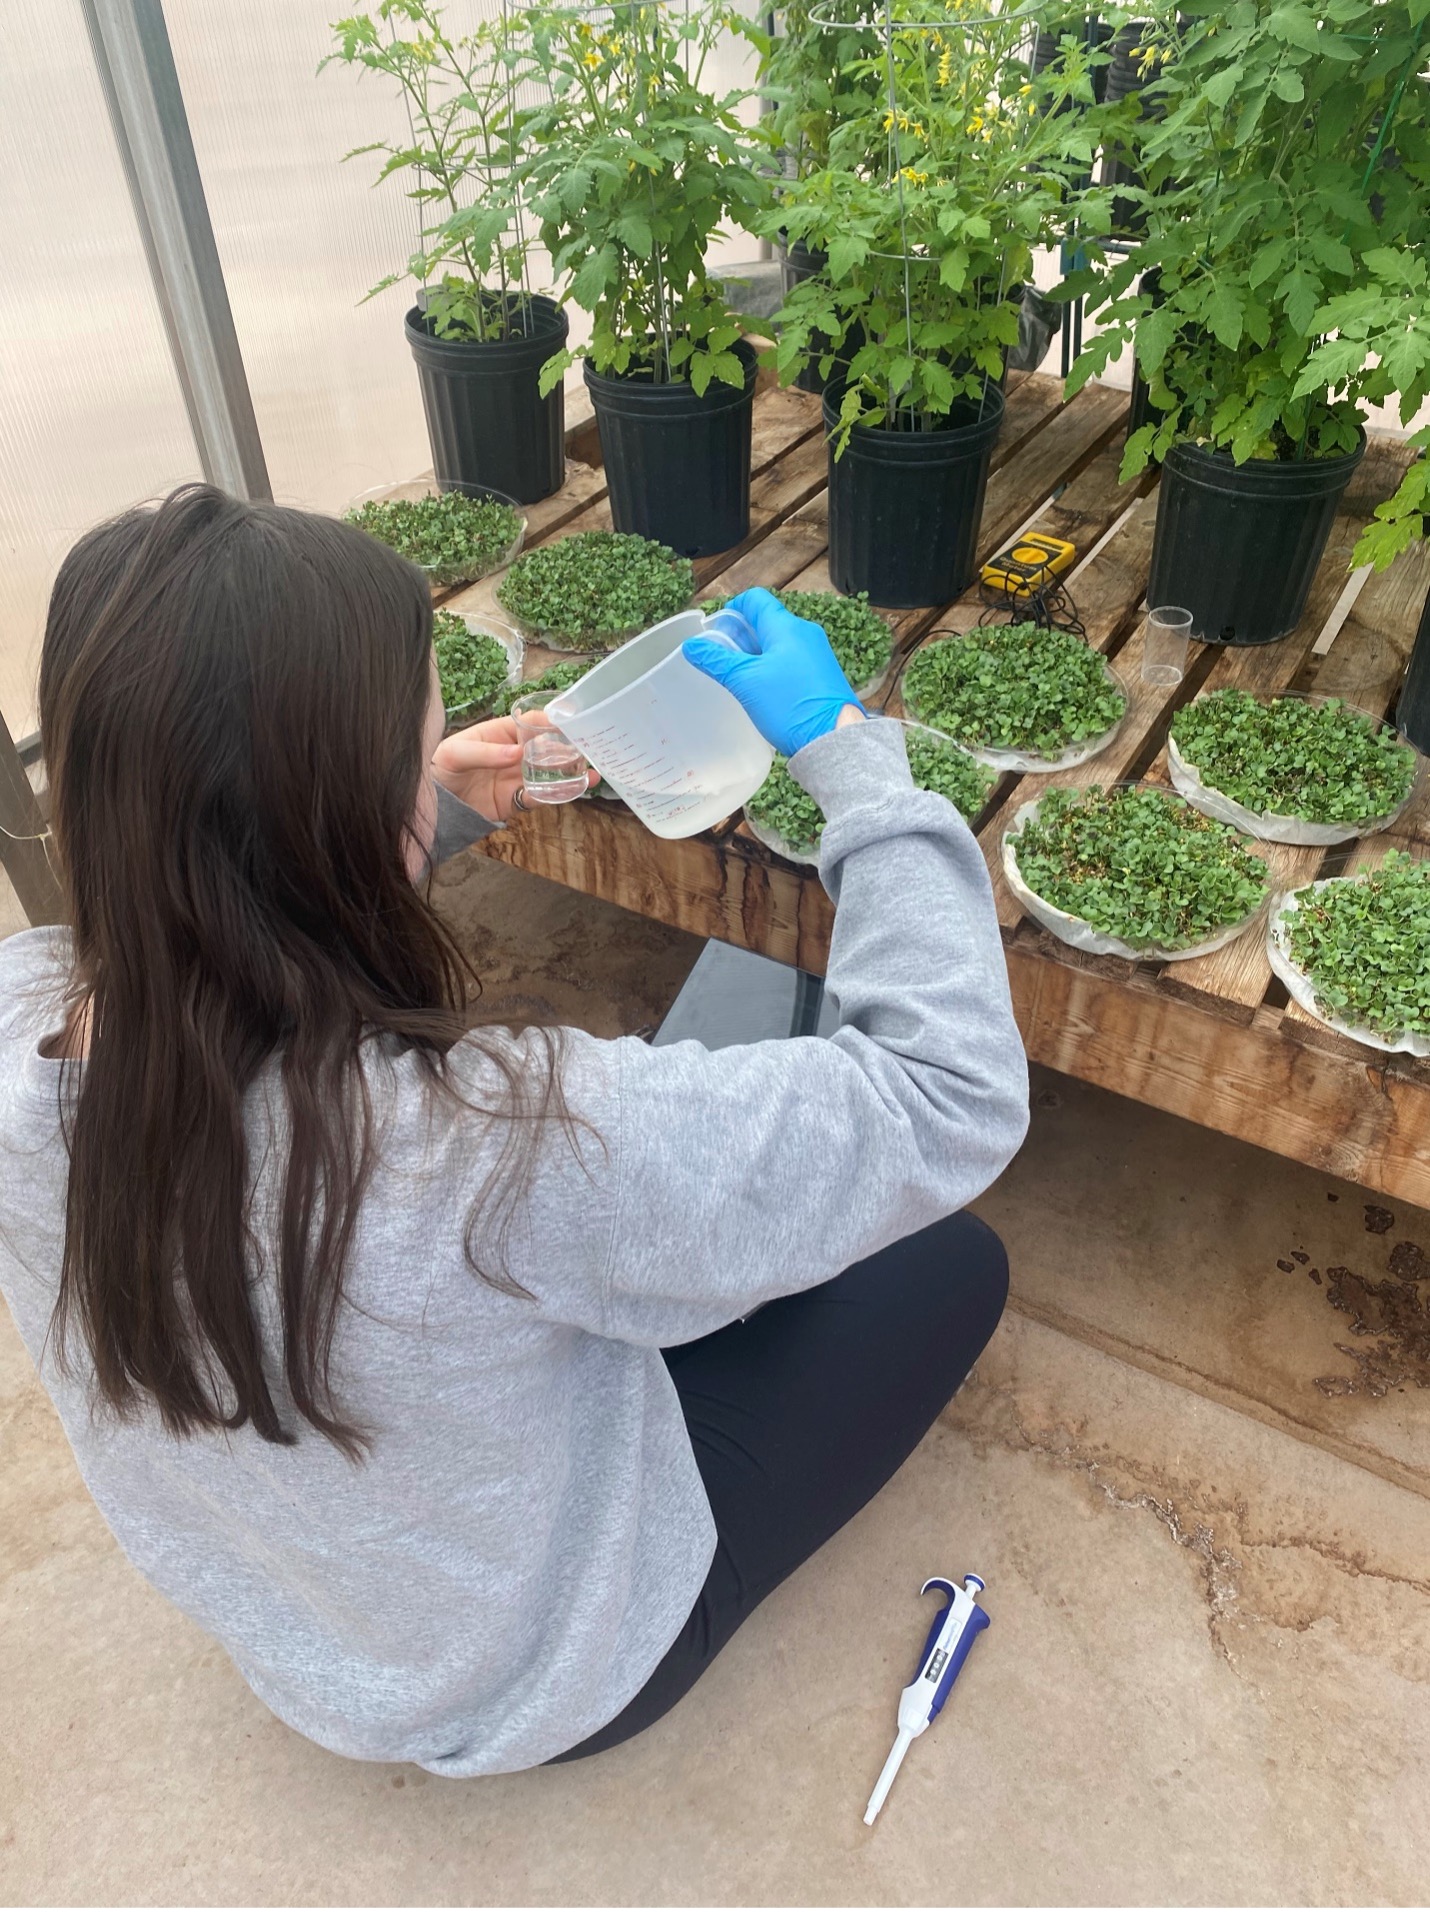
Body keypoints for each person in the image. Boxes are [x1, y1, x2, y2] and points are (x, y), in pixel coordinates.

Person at [0, 484, 1028, 1777]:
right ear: (335, 815)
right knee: (949, 1264)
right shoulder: (500, 1138)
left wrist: (430, 810)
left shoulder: (17, 1038)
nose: (439, 757)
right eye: (416, 746)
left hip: (304, 1646)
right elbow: (947, 1093)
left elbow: (222, 910)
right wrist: (853, 762)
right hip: (549, 1678)